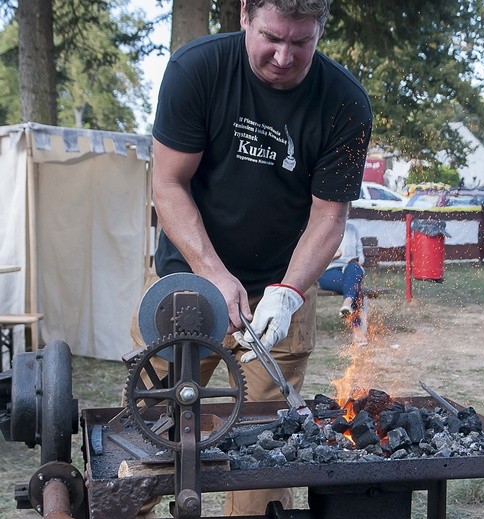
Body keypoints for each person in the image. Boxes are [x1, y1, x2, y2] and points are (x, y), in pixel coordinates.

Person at [133, 0, 372, 516]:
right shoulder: (196, 70)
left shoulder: (345, 103)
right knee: (148, 442)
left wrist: (287, 294)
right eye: (272, 37)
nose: (284, 57)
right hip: (188, 284)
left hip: (282, 287)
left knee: (264, 453)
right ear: (244, 14)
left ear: (320, 32)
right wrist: (213, 274)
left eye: (301, 42)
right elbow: (168, 184)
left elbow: (329, 216)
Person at [318, 221, 368, 345]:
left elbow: (361, 258)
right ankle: (357, 330)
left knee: (354, 269)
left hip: (350, 270)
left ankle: (347, 303)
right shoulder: (323, 227)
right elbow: (316, 260)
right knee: (353, 286)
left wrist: (357, 261)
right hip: (329, 271)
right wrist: (333, 256)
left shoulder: (352, 229)